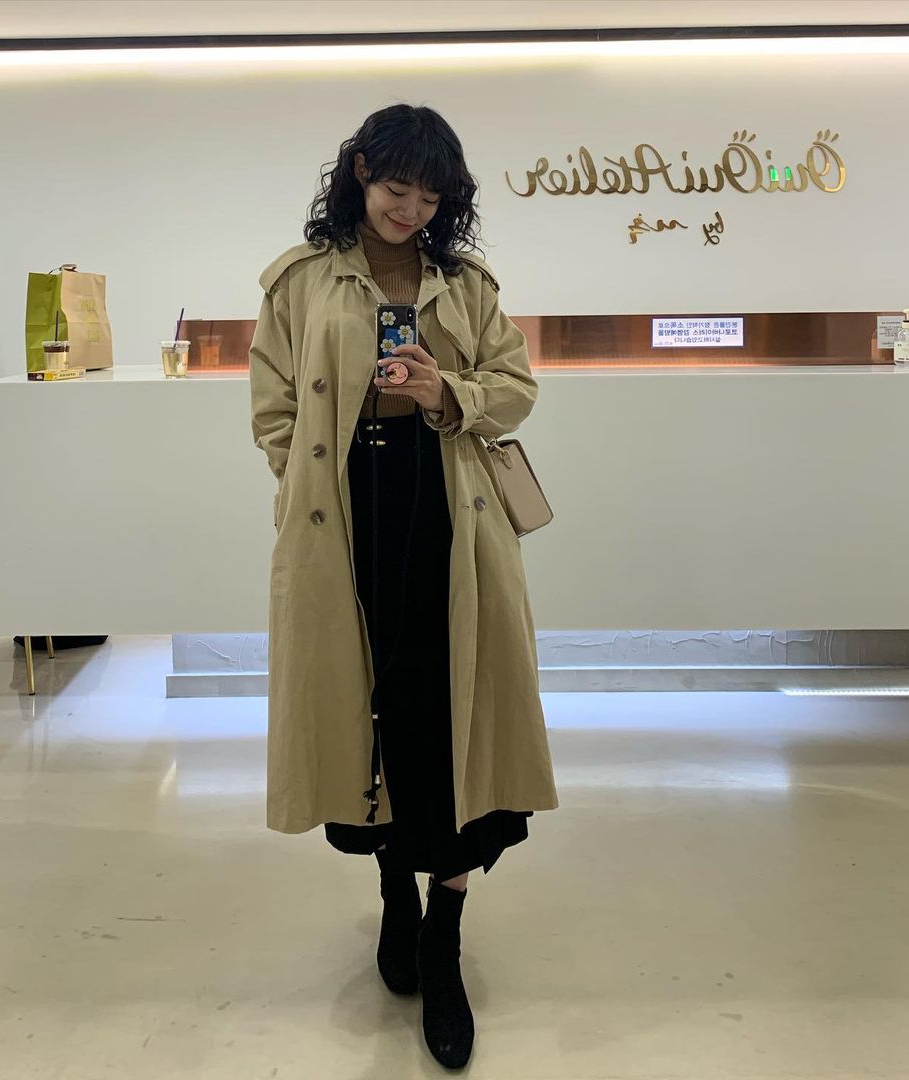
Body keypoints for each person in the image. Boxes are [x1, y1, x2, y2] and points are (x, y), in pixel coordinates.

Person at [249, 103, 558, 1070]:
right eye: (396, 188)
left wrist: (446, 393)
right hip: (346, 521)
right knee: (370, 710)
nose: (410, 210)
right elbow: (272, 405)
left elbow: (515, 386)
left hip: (450, 518)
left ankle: (443, 937)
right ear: (359, 172)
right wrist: (302, 476)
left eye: (430, 196)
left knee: (453, 717)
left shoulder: (465, 283)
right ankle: (394, 891)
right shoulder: (300, 282)